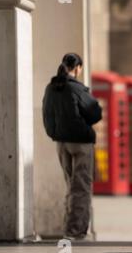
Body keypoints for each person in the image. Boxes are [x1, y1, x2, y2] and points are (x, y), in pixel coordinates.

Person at [42, 53, 102, 241]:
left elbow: (47, 115)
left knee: (71, 186)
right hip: (80, 143)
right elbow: (95, 113)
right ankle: (75, 231)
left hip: (61, 143)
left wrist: (55, 133)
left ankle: (69, 227)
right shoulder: (76, 89)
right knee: (81, 187)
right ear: (77, 68)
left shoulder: (51, 88)